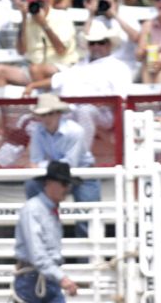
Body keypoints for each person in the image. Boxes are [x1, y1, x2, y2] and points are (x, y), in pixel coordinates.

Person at [24, 93, 100, 238]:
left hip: (82, 174)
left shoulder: (75, 131)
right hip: (57, 174)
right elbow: (35, 162)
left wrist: (43, 166)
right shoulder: (38, 131)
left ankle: (88, 259)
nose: (46, 119)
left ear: (59, 114)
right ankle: (43, 234)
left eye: (50, 114)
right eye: (43, 115)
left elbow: (69, 164)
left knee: (86, 222)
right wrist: (44, 167)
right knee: (32, 186)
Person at [12, 161, 81, 303]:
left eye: (67, 184)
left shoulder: (47, 210)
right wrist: (61, 277)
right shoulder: (33, 210)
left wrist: (58, 276)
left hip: (44, 278)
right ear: (50, 183)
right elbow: (37, 253)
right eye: (63, 184)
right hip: (32, 280)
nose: (67, 188)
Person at [0, 0, 79, 88]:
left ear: (47, 0)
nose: (38, 6)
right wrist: (23, 18)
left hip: (61, 68)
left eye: (40, 2)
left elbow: (61, 50)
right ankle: (5, 104)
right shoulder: (28, 21)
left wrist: (44, 24)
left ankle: (42, 100)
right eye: (34, 3)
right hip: (33, 67)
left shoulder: (62, 17)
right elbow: (21, 51)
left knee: (36, 69)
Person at [30, 22, 134, 97]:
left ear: (109, 44)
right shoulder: (80, 65)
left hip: (102, 112)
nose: (96, 46)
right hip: (73, 109)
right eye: (92, 43)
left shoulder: (119, 68)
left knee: (84, 110)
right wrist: (32, 85)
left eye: (101, 42)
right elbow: (59, 79)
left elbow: (121, 97)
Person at [82, 0, 140, 73]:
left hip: (125, 65)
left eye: (112, 2)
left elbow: (136, 38)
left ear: (118, 2)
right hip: (100, 65)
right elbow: (85, 39)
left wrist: (115, 16)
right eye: (105, 2)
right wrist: (91, 14)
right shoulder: (98, 20)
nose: (108, 6)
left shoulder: (128, 17)